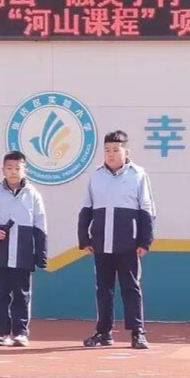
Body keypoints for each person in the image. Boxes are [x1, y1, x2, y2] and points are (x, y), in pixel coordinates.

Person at [77, 130, 156, 350]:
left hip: (128, 244)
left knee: (131, 288)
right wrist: (84, 238)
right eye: (107, 150)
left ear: (126, 152)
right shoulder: (96, 176)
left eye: (115, 150)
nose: (111, 154)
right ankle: (104, 332)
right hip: (102, 243)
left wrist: (145, 241)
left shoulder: (138, 175)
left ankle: (138, 332)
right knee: (103, 289)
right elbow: (86, 208)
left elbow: (147, 210)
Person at [0, 151, 48, 347]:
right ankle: (2, 332)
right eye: (9, 168)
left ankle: (20, 332)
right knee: (1, 295)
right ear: (3, 170)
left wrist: (41, 254)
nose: (13, 172)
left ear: (25, 170)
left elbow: (40, 226)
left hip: (23, 254)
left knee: (22, 295)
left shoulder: (33, 195)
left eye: (17, 168)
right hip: (0, 253)